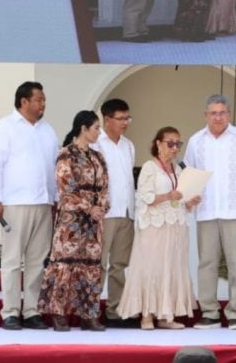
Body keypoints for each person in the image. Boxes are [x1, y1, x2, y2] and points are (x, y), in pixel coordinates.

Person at [184, 94, 236, 330]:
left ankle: (235, 313)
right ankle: (210, 312)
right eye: (213, 113)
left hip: (235, 212)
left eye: (222, 112)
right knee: (206, 262)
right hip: (206, 211)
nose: (218, 117)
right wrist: (189, 197)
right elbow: (188, 173)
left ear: (229, 114)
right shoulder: (196, 141)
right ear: (205, 115)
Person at [0, 81, 58, 330]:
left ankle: (32, 310)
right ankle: (11, 312)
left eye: (44, 99)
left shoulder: (48, 130)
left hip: (43, 202)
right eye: (39, 99)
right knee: (13, 260)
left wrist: (54, 198)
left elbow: (53, 168)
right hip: (14, 202)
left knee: (38, 261)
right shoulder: (5, 127)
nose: (43, 104)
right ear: (24, 101)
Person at [118, 127, 201, 330]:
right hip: (154, 226)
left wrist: (191, 201)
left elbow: (181, 197)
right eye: (170, 143)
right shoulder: (149, 167)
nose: (174, 148)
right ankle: (146, 314)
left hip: (175, 225)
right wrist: (168, 197)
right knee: (151, 268)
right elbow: (145, 196)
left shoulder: (179, 170)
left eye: (178, 144)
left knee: (171, 268)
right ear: (158, 144)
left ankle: (166, 315)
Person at [39, 110, 110, 332]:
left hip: (93, 221)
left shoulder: (98, 156)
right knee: (65, 264)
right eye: (96, 128)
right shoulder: (66, 155)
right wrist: (89, 208)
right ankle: (59, 314)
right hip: (72, 219)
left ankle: (88, 314)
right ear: (83, 128)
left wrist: (101, 207)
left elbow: (105, 186)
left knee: (90, 266)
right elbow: (65, 188)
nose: (100, 132)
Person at [91, 99, 137, 327]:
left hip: (126, 211)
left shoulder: (129, 145)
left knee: (120, 264)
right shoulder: (96, 145)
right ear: (107, 119)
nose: (125, 123)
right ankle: (90, 311)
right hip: (105, 213)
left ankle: (115, 310)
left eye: (128, 118)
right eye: (121, 118)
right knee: (98, 264)